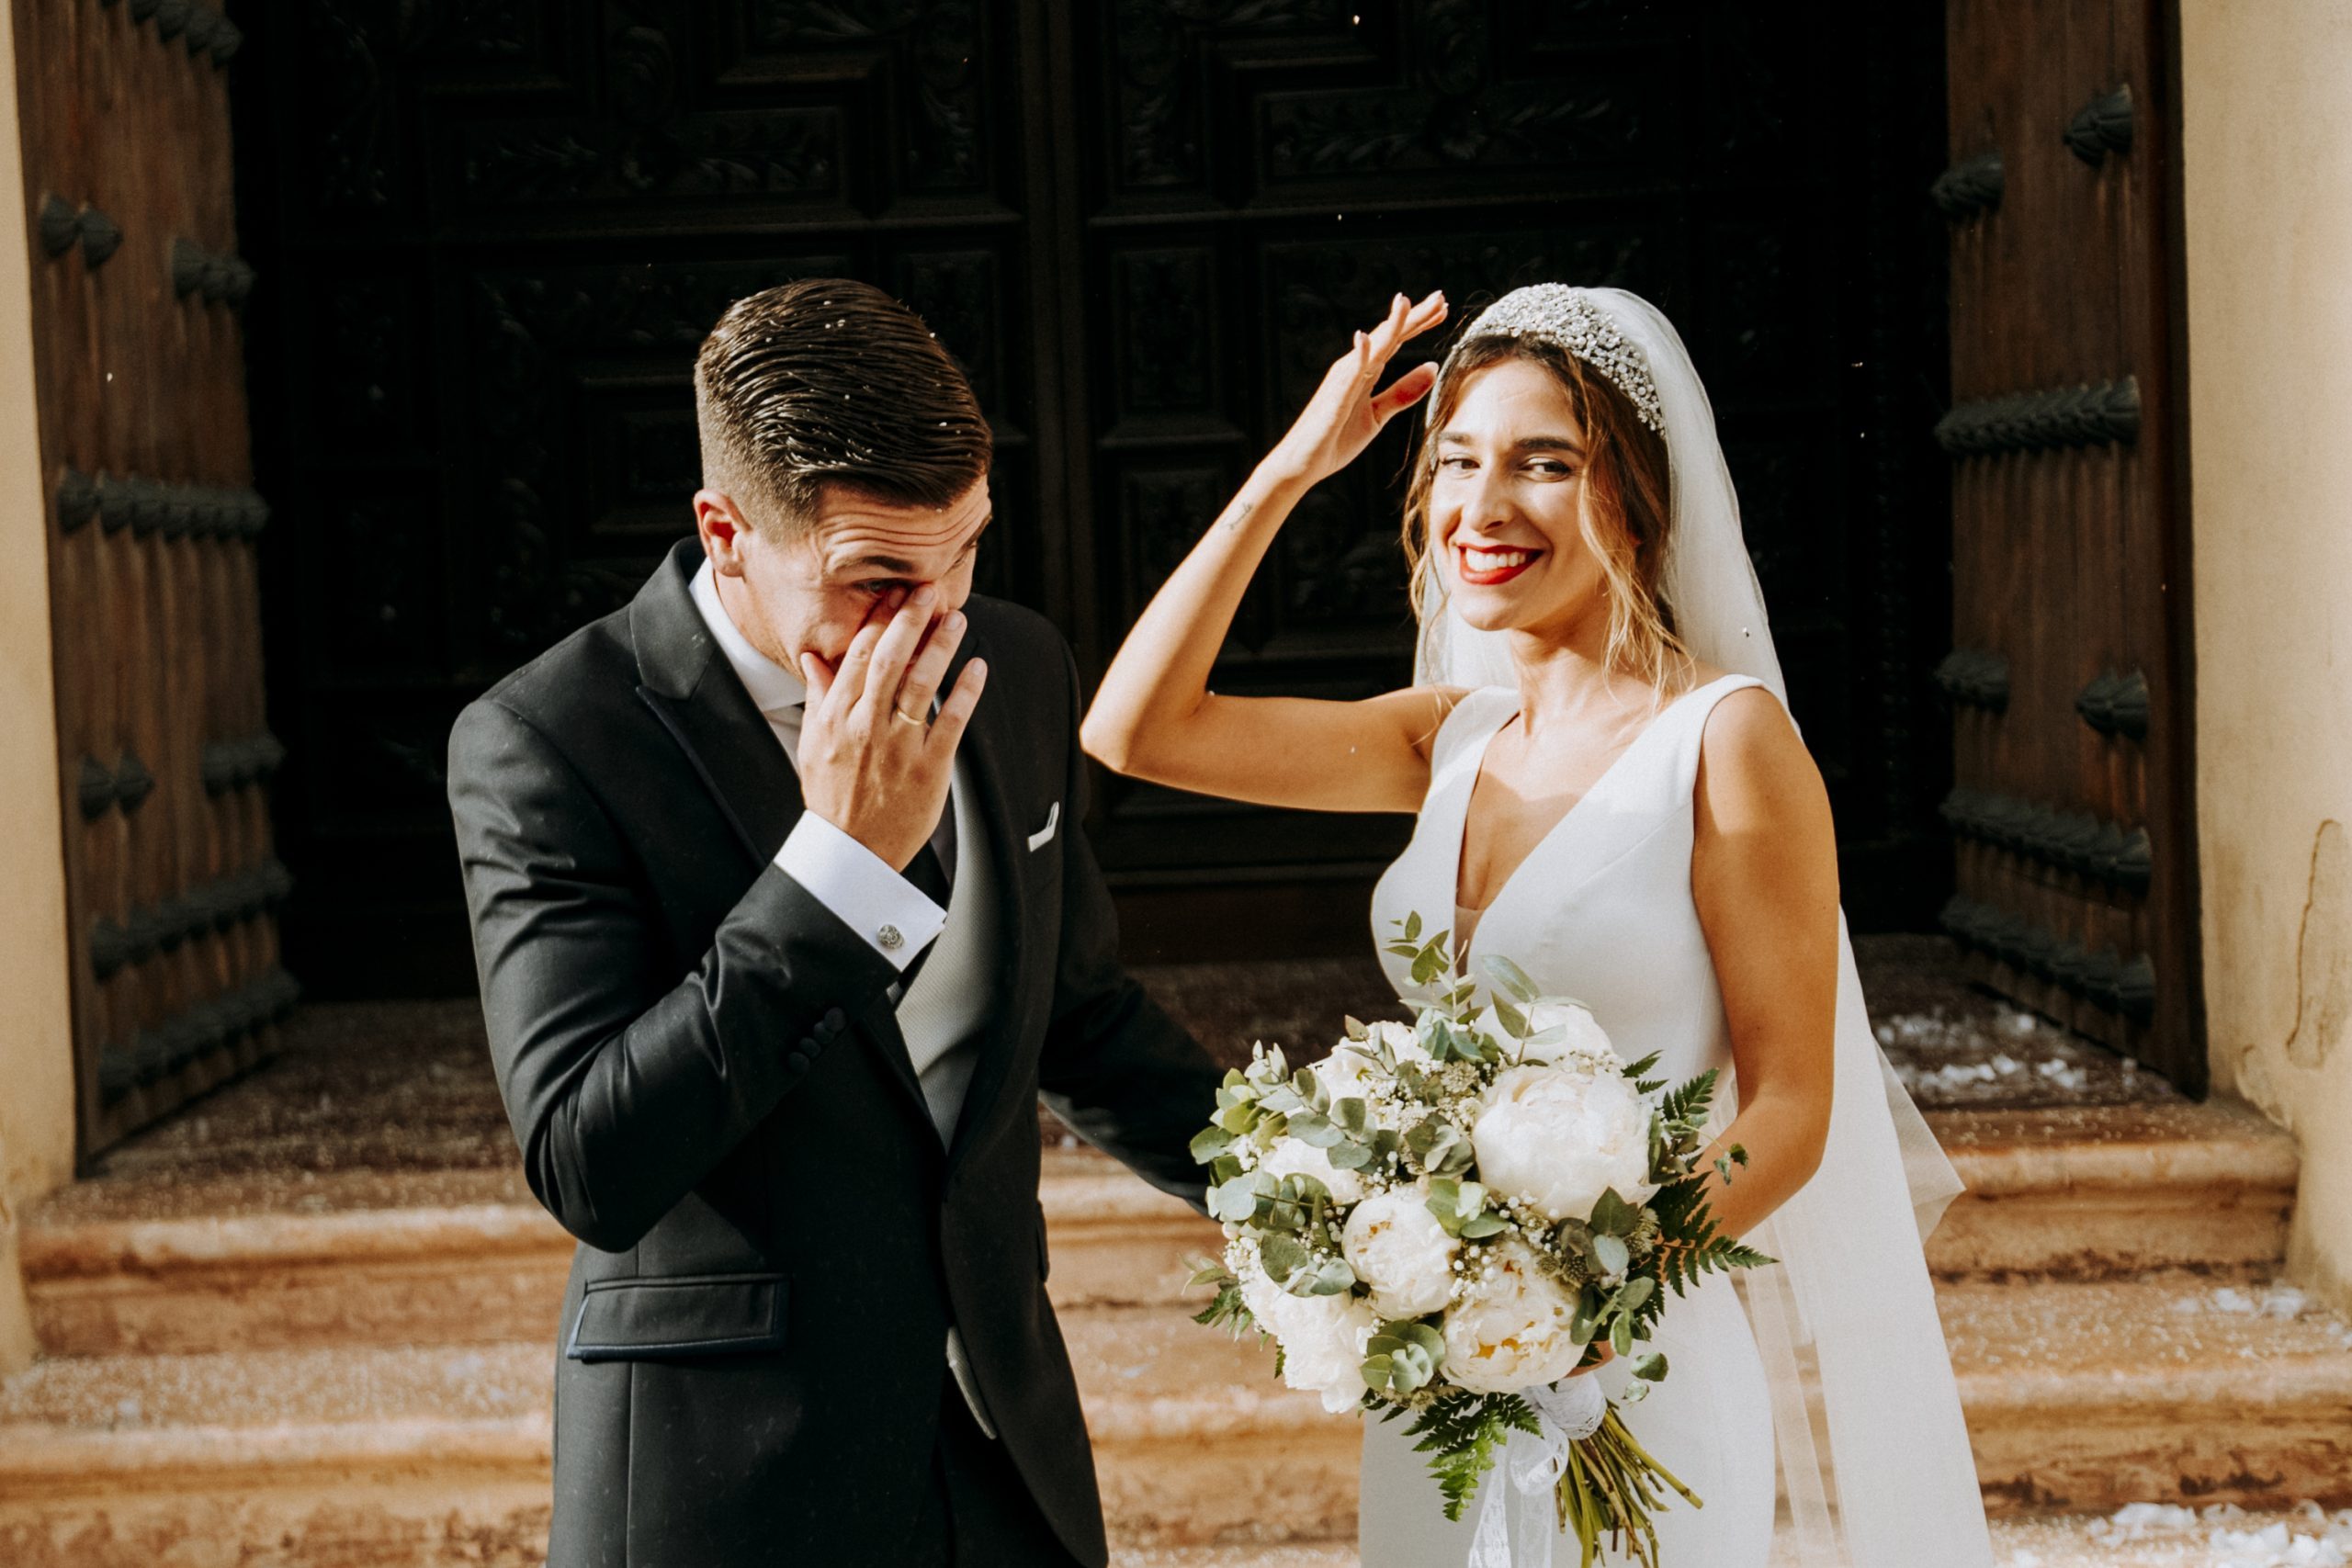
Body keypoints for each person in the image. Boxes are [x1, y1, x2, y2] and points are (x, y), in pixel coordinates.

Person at [1081, 284, 1993, 1565]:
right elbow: (1135, 729)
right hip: (1443, 1382)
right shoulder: (1445, 738)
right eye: (1457, 461)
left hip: (1637, 1356)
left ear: (1637, 497)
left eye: (1544, 464)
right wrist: (1290, 471)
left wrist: (1586, 1292)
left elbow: (1791, 1105)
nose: (1484, 505)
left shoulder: (1723, 741)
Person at [446, 276, 1224, 1568]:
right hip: (730, 1481)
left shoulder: (1018, 665)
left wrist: (1342, 1205)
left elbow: (1081, 1019)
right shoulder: (549, 738)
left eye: (965, 550)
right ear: (726, 531)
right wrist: (837, 873)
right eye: (876, 578)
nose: (937, 615)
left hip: (1006, 1452)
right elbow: (591, 1161)